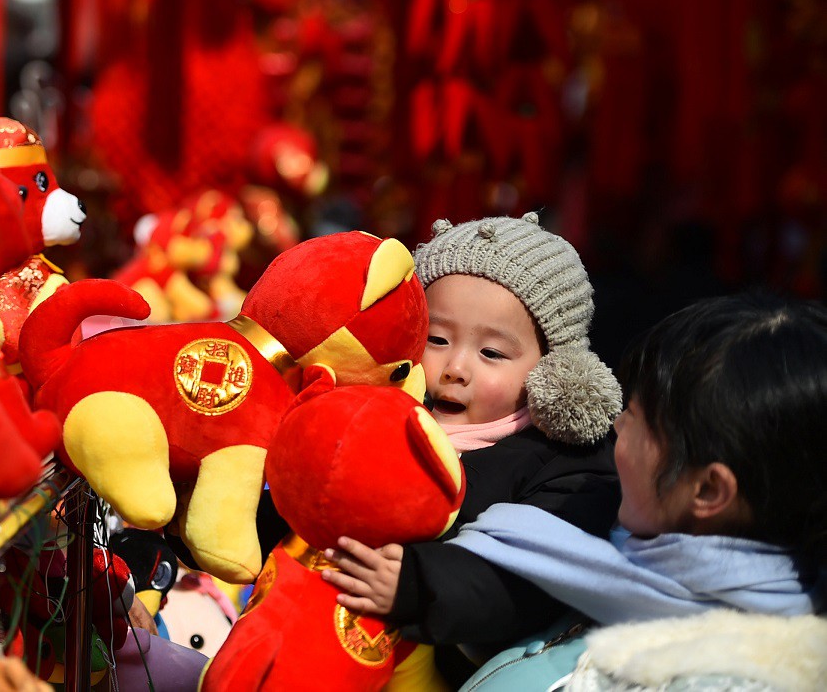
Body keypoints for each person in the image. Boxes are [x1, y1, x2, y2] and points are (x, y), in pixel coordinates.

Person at [448, 293, 827, 691]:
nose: (617, 427)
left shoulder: (723, 681)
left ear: (709, 490)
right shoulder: (615, 568)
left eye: (637, 419)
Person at [321, 213, 624, 685]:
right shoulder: (377, 415)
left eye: (492, 354)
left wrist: (417, 584)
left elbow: (526, 582)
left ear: (552, 372)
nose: (455, 367)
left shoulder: (568, 468)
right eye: (436, 339)